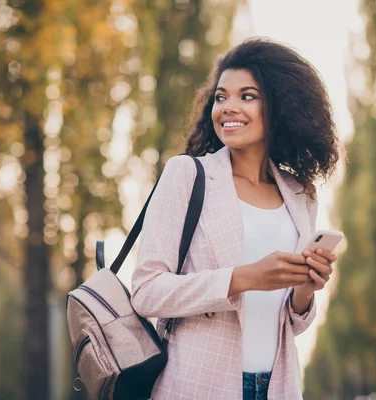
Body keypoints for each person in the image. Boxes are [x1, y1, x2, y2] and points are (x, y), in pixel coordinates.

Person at [131, 37, 340, 400]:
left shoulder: (300, 194)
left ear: (280, 106)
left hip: (276, 386)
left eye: (247, 96)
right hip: (197, 382)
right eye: (220, 96)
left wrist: (307, 288)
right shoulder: (188, 175)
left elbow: (291, 323)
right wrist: (243, 278)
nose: (228, 107)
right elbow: (146, 292)